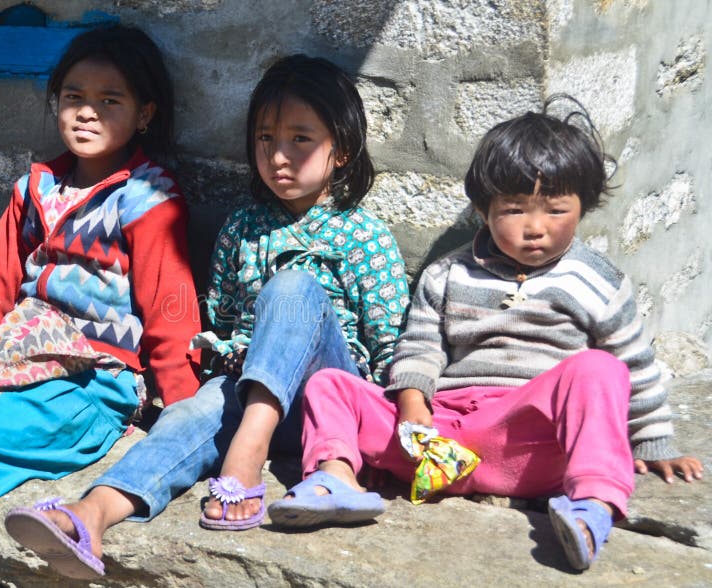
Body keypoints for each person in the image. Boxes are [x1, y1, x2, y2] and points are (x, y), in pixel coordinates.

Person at [3, 53, 409, 579]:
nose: (279, 157)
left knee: (293, 287)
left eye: (300, 139)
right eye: (265, 139)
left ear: (343, 151)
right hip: (248, 386)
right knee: (187, 416)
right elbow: (221, 318)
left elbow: (389, 345)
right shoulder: (243, 226)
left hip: (327, 405)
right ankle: (90, 515)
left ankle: (246, 454)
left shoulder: (363, 237)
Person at [267, 95, 704, 572]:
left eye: (556, 211)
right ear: (482, 209)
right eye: (514, 210)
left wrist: (655, 443)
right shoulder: (447, 275)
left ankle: (591, 506)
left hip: (531, 443)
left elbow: (635, 367)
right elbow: (419, 348)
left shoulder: (598, 282)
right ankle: (336, 481)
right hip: (442, 439)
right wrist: (415, 411)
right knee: (331, 384)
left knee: (599, 368)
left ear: (583, 207)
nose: (535, 228)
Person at [0, 24, 200, 587]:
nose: (87, 113)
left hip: (87, 390)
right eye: (74, 98)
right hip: (8, 365)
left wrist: (179, 416)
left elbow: (171, 313)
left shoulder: (148, 200)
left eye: (109, 100)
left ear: (144, 114)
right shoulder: (34, 190)